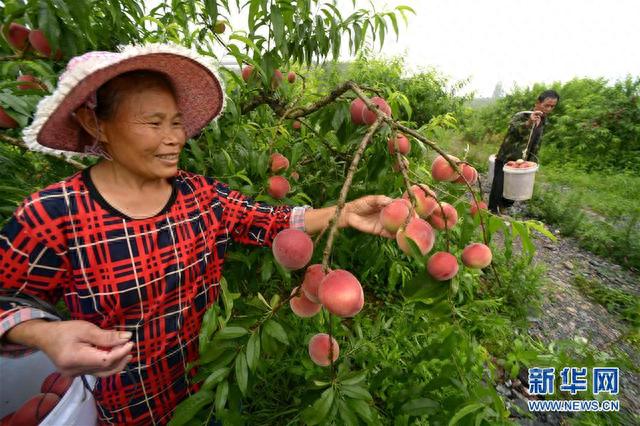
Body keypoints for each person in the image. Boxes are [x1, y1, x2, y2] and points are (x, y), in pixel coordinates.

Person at [0, 43, 394, 425]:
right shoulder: (54, 214)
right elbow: (5, 301)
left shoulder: (199, 195)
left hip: (201, 394)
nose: (174, 138)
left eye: (176, 122)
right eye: (154, 123)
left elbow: (272, 221)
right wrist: (44, 335)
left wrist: (344, 214)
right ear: (94, 123)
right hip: (125, 412)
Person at [488, 90, 560, 214]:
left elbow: (536, 143)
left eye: (552, 106)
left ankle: (503, 207)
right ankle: (492, 211)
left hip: (522, 161)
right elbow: (513, 130)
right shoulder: (522, 115)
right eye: (546, 105)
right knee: (499, 185)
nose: (549, 109)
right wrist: (528, 123)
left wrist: (532, 161)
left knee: (515, 187)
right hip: (507, 156)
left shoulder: (543, 121)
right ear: (538, 103)